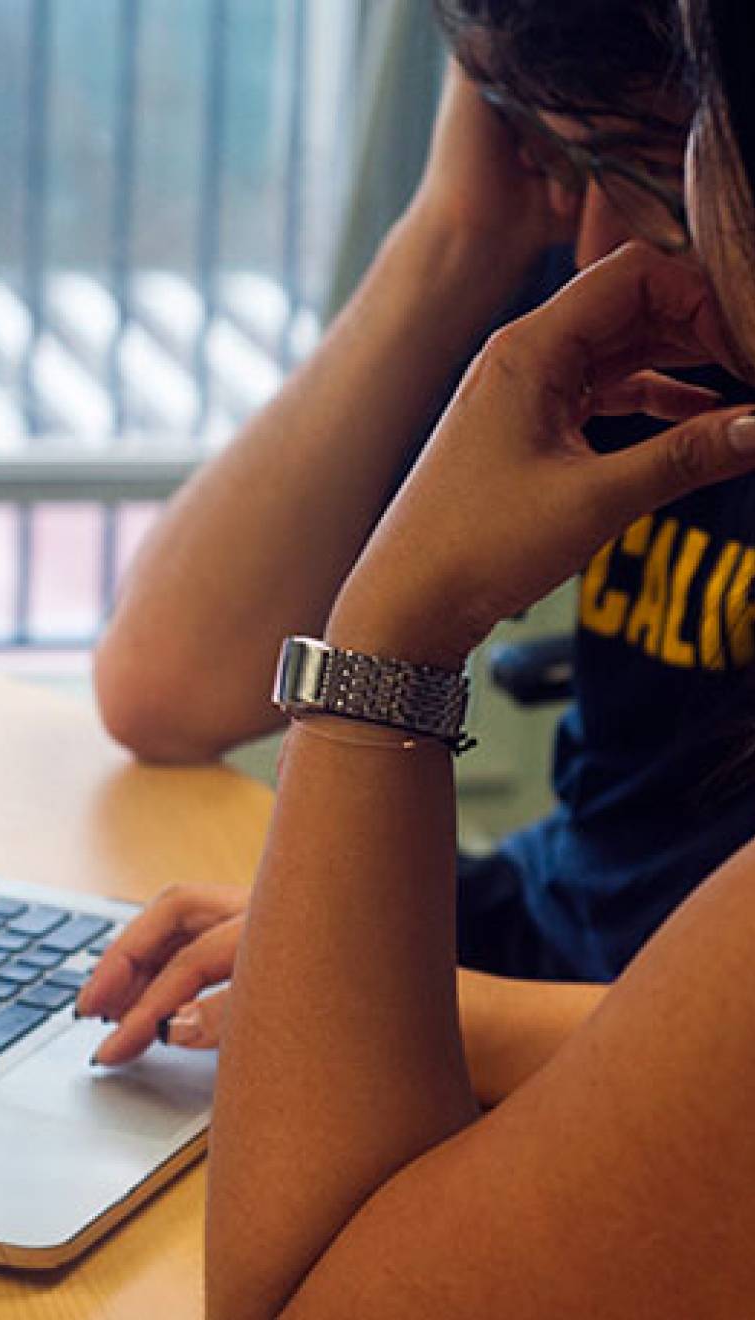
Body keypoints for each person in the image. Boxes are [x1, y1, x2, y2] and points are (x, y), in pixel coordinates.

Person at [162, 0, 755, 1310]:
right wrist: (455, 236)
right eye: (557, 165)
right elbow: (161, 678)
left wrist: (393, 631)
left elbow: (291, 1301)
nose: (602, 239)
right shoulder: (635, 302)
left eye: (656, 161)